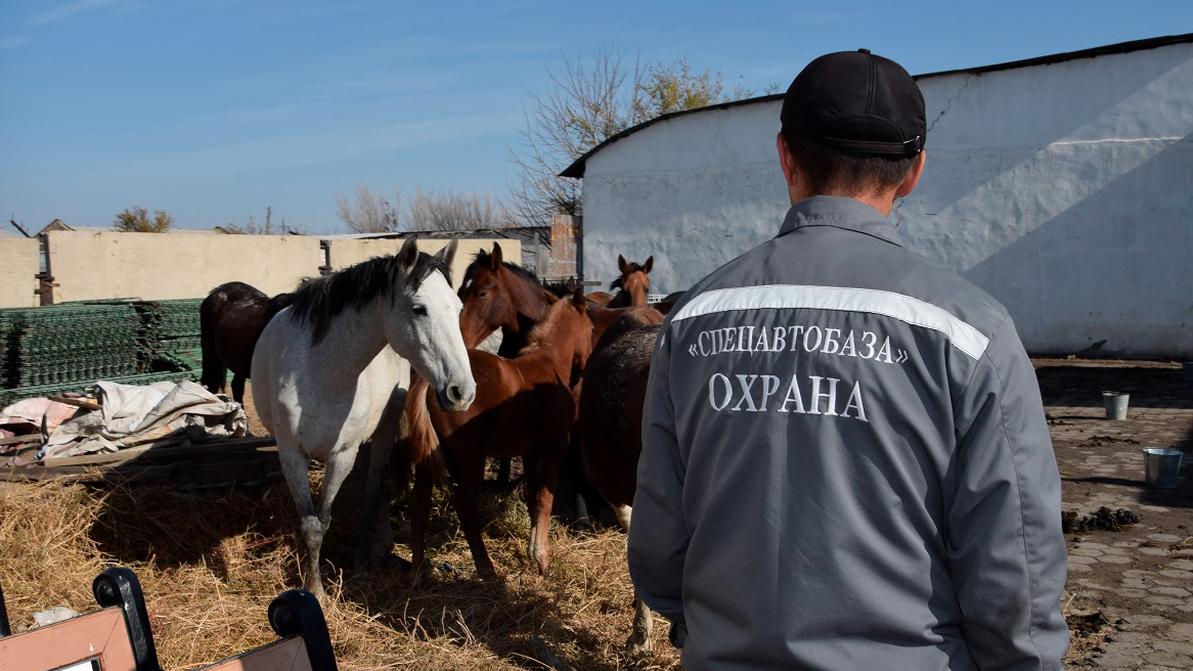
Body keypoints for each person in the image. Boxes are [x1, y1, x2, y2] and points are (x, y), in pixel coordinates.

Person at [627, 49, 1068, 670]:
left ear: (785, 156)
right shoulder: (969, 332)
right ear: (914, 171)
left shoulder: (694, 318)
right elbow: (1014, 560)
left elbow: (659, 537)